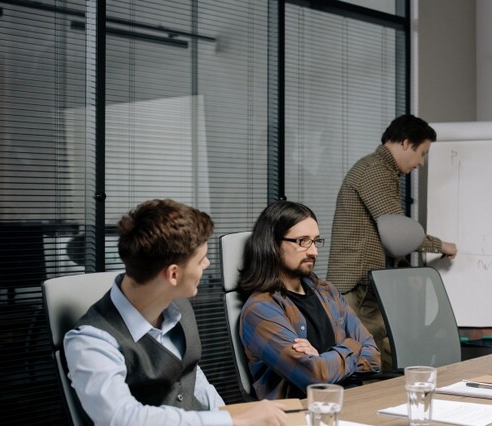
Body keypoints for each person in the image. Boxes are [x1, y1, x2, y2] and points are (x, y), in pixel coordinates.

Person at [64, 199, 287, 426]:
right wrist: (231, 420)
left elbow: (192, 376)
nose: (208, 264)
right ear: (173, 275)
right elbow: (122, 418)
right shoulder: (90, 340)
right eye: (200, 260)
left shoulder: (177, 306)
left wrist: (232, 416)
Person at [327, 114, 458, 372]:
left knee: (385, 359)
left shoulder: (382, 171)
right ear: (406, 143)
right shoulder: (374, 171)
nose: (421, 162)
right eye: (422, 153)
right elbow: (398, 232)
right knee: (365, 363)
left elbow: (387, 235)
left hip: (366, 285)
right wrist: (441, 246)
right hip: (356, 287)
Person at [238, 201, 380, 400]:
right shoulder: (260, 309)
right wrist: (353, 347)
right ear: (273, 244)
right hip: (301, 413)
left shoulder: (327, 292)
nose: (314, 251)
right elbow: (314, 376)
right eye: (303, 241)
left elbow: (374, 357)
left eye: (315, 241)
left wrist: (323, 358)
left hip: (349, 402)